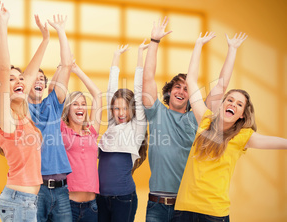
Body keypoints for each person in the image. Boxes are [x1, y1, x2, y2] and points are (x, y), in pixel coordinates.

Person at [172, 32, 287, 222]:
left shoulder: (243, 137)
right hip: (184, 210)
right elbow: (192, 80)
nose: (233, 104)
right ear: (223, 104)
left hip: (214, 214)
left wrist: (232, 50)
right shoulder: (205, 120)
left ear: (242, 114)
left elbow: (281, 143)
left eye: (239, 104)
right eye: (230, 100)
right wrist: (199, 45)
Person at [142, 17, 247, 222]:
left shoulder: (199, 118)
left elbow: (221, 88)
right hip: (156, 205)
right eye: (177, 87)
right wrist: (154, 42)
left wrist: (232, 50)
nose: (181, 91)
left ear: (192, 97)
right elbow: (147, 78)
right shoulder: (156, 112)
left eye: (187, 89)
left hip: (187, 206)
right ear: (169, 91)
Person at [0, 1, 49, 221]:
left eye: (20, 79)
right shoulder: (6, 118)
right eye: (10, 80)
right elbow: (2, 70)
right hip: (18, 201)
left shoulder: (23, 117)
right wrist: (2, 24)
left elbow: (30, 73)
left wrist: (45, 40)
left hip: (26, 201)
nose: (18, 81)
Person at [26, 14, 73, 222]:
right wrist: (44, 39)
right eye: (33, 78)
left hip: (62, 190)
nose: (38, 81)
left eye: (42, 79)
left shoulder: (53, 104)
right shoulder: (21, 108)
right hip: (35, 190)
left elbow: (67, 65)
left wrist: (60, 31)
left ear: (45, 85)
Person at [96, 42, 148, 222]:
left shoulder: (137, 127)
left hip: (123, 199)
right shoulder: (112, 125)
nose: (121, 113)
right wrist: (116, 56)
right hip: (100, 197)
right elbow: (111, 89)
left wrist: (140, 53)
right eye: (116, 109)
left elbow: (140, 90)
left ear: (133, 109)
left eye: (125, 108)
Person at [60, 62, 102, 222]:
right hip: (68, 205)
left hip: (92, 205)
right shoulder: (62, 130)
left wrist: (76, 70)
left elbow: (97, 94)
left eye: (84, 104)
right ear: (68, 109)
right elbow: (57, 96)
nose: (81, 107)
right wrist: (64, 69)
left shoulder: (91, 131)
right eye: (75, 104)